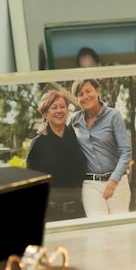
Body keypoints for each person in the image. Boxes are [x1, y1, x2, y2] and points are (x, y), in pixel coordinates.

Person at [70, 79, 133, 216]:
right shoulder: (74, 120)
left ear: (97, 91)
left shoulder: (113, 116)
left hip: (117, 182)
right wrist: (44, 127)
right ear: (77, 99)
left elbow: (126, 151)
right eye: (80, 94)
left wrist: (113, 180)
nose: (85, 96)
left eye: (88, 91)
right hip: (91, 184)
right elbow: (59, 135)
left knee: (120, 230)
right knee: (98, 228)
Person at [25, 91, 88, 220]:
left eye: (62, 106)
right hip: (50, 215)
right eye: (54, 107)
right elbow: (31, 184)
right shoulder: (38, 144)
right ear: (45, 114)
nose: (59, 111)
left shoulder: (77, 137)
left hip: (79, 212)